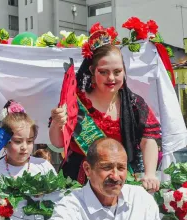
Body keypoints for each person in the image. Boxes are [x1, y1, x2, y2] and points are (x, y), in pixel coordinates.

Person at [49, 25, 162, 192]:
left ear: (124, 72)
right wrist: (57, 123)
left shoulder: (134, 104)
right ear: (92, 71)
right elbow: (58, 143)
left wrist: (150, 173)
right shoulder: (75, 101)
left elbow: (148, 140)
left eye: (117, 72)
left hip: (120, 180)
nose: (111, 78)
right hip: (78, 179)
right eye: (103, 72)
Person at [45, 138, 185, 220]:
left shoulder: (140, 199)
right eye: (107, 167)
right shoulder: (71, 206)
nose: (115, 176)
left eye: (121, 168)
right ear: (87, 169)